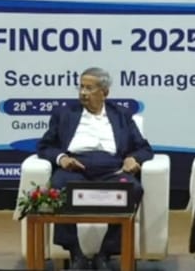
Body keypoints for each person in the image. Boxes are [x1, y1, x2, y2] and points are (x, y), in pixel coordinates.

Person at [35, 67, 153, 270]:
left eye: (89, 88)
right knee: (58, 187)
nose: (83, 92)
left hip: (112, 171)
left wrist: (133, 159)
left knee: (133, 188)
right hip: (74, 169)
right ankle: (75, 253)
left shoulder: (121, 115)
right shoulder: (65, 114)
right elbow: (45, 146)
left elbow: (144, 148)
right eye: (81, 87)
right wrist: (62, 158)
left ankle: (105, 253)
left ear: (104, 92)